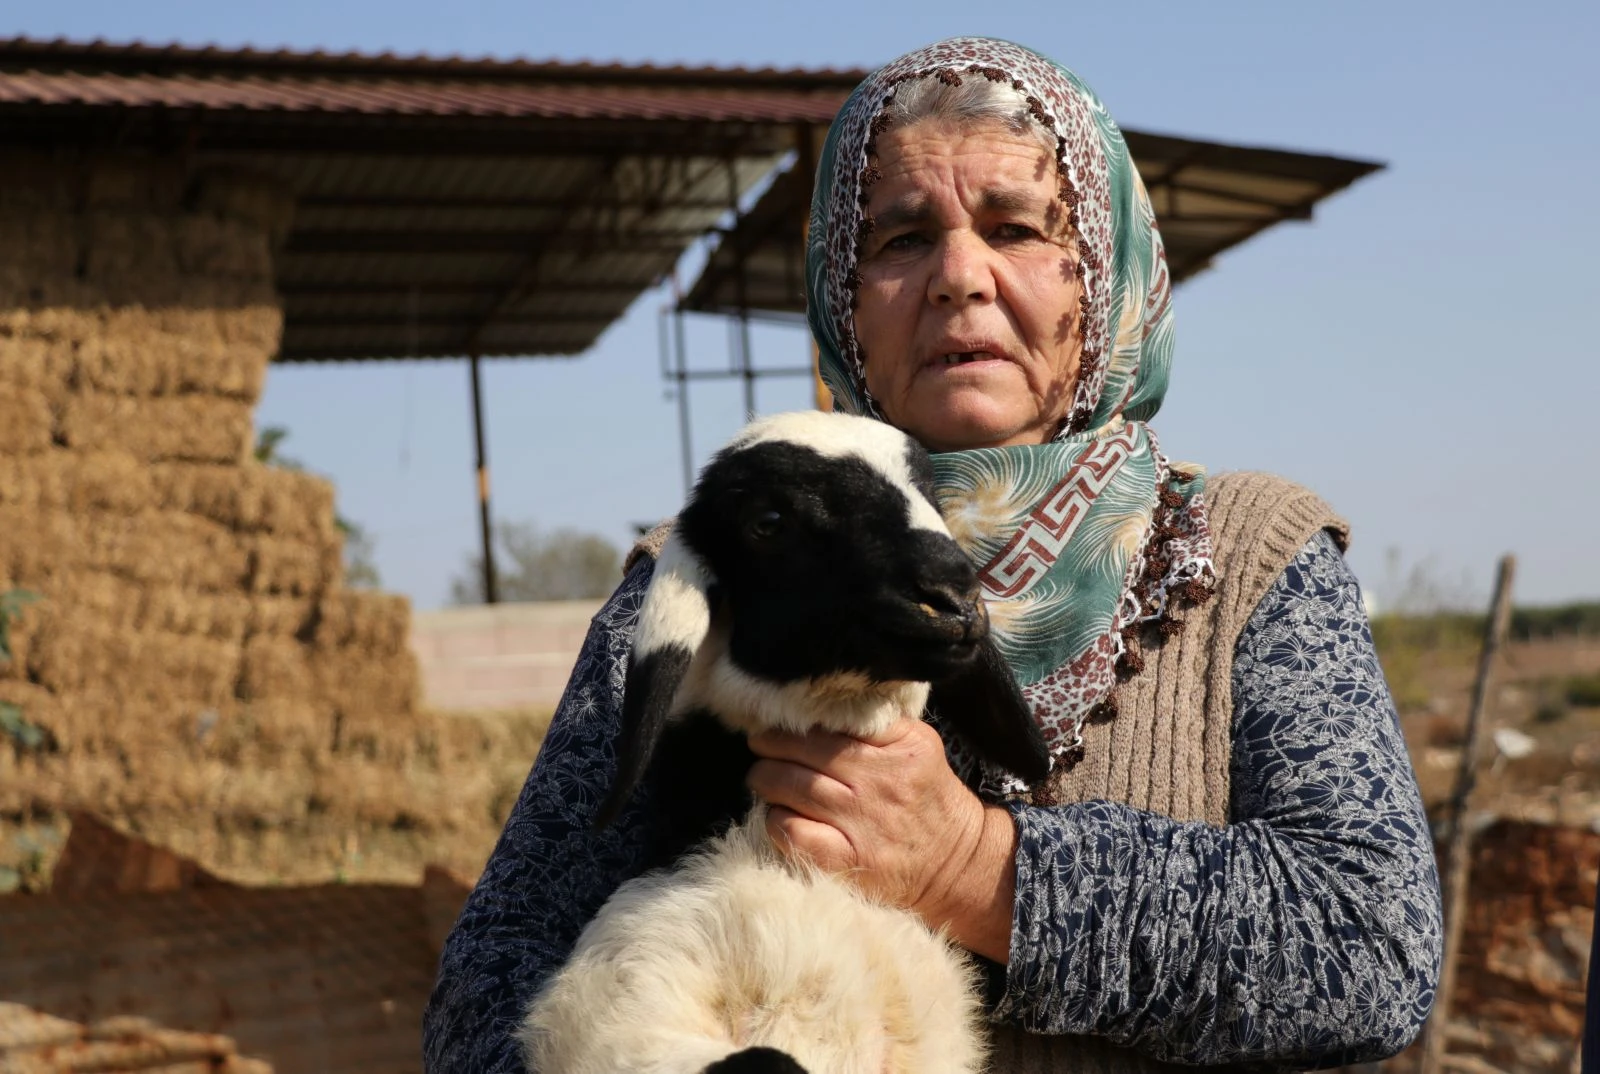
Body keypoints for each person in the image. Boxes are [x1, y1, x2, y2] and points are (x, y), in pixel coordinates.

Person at [424, 36, 1442, 1072]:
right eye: (903, 239)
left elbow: (1374, 948)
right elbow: (488, 981)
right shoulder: (717, 562)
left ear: (1103, 274)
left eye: (1015, 228)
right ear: (843, 296)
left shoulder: (1250, 557)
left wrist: (976, 867)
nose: (958, 277)